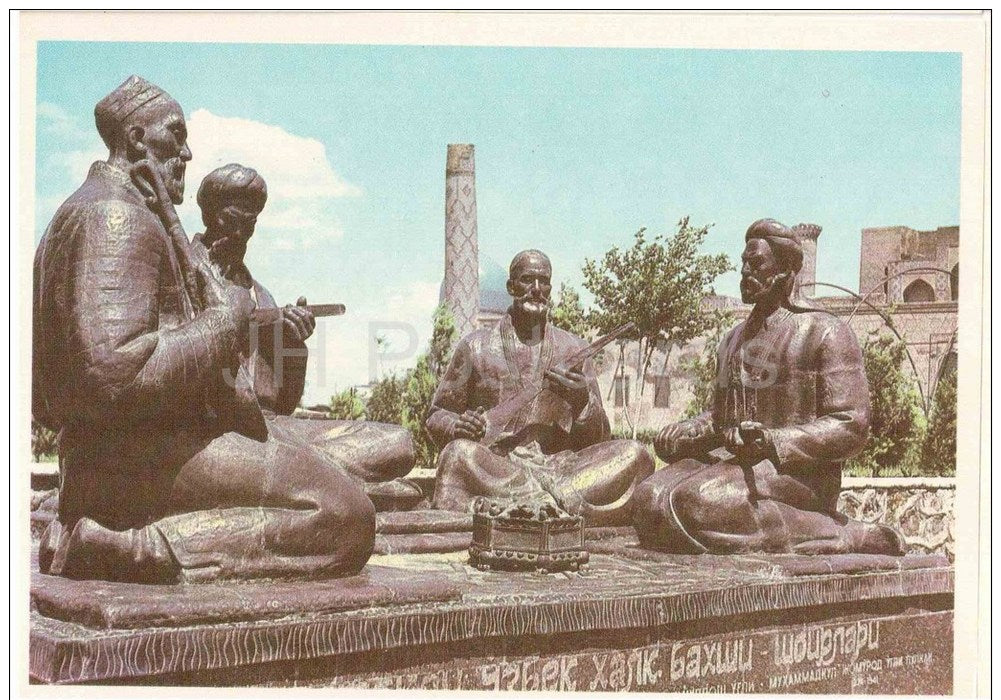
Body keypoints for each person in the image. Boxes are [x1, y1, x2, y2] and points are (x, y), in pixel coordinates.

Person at [33, 76, 376, 583]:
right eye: (176, 135)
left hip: (120, 451)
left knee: (335, 469)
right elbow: (115, 375)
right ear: (136, 139)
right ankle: (125, 546)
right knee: (343, 515)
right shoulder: (116, 215)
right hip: (128, 459)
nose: (186, 153)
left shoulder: (98, 211)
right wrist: (224, 322)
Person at [631, 219, 905, 555]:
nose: (745, 272)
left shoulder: (826, 331)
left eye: (756, 264)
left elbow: (851, 424)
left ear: (787, 269)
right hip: (734, 466)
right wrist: (690, 430)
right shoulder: (732, 340)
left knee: (697, 501)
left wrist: (774, 440)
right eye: (743, 264)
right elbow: (720, 417)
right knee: (648, 498)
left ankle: (840, 532)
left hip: (798, 475)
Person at [193, 164, 416, 486]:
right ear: (209, 214)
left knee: (397, 442)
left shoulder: (261, 295)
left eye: (251, 223)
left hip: (269, 428)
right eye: (232, 220)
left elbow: (284, 404)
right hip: (214, 432)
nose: (240, 233)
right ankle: (329, 480)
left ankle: (314, 476)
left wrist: (292, 343)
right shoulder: (183, 273)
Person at [427, 249, 654, 525]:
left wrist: (582, 404)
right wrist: (458, 426)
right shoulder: (476, 346)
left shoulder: (574, 348)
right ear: (511, 287)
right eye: (527, 280)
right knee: (458, 453)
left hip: (561, 470)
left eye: (543, 281)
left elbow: (601, 439)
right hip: (499, 467)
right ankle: (552, 503)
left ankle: (533, 501)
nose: (536, 289)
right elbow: (436, 415)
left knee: (635, 454)